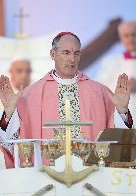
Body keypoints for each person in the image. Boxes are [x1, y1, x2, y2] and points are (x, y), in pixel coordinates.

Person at [0, 32, 133, 168]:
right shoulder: (30, 95)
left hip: (91, 175)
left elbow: (119, 143)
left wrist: (122, 111)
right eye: (66, 52)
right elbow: (12, 144)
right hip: (46, 176)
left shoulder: (100, 92)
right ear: (53, 54)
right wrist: (9, 112)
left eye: (76, 53)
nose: (72, 59)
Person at [97, 21, 136, 126]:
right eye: (126, 36)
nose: (130, 39)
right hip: (120, 121)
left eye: (134, 35)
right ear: (121, 39)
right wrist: (124, 86)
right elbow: (101, 87)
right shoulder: (110, 62)